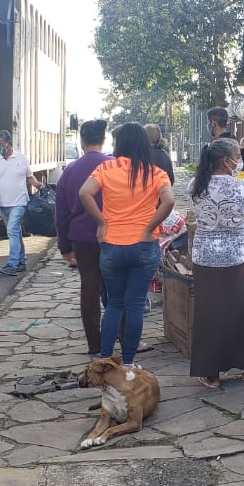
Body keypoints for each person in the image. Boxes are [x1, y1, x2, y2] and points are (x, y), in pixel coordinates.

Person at [79, 122, 175, 372]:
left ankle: (105, 360)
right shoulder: (155, 172)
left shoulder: (106, 167)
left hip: (112, 245)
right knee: (135, 306)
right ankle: (130, 363)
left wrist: (101, 222)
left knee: (114, 304)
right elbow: (169, 200)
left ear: (119, 143)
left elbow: (84, 193)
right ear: (144, 144)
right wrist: (148, 227)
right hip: (143, 246)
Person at [187, 138, 244, 388]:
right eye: (237, 155)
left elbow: (198, 216)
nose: (239, 160)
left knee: (209, 312)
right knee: (239, 310)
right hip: (237, 256)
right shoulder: (241, 187)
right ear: (226, 160)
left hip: (205, 256)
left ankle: (210, 373)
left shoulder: (194, 185)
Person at [56, 119, 115, 357]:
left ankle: (95, 343)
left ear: (81, 141)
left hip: (81, 238)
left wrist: (64, 246)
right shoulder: (113, 166)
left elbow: (61, 213)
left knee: (89, 290)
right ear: (104, 139)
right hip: (112, 237)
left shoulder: (69, 171)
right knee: (115, 289)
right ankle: (120, 334)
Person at [0, 129, 43, 276]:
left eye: (0, 144)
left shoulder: (21, 158)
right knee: (15, 232)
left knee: (11, 230)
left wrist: (38, 185)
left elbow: (29, 177)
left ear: (9, 143)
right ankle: (21, 262)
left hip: (19, 202)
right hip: (3, 203)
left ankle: (12, 264)